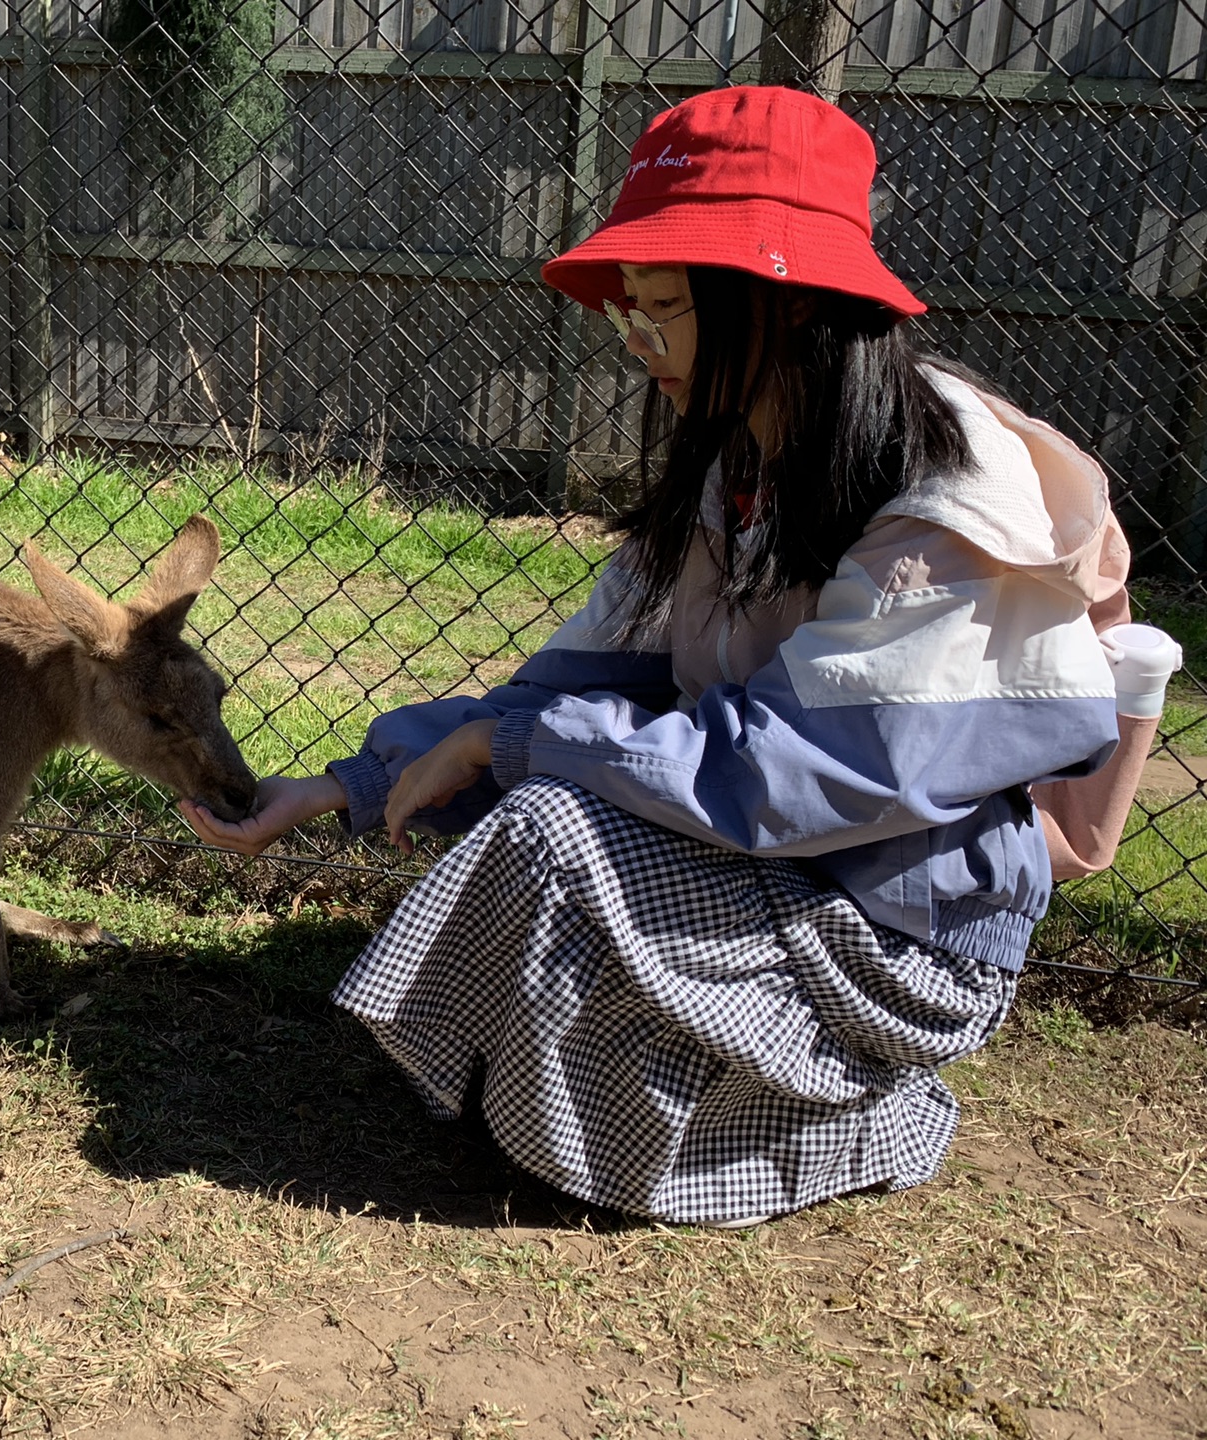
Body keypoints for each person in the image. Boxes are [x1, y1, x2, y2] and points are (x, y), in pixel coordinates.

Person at [179, 85, 1136, 1228]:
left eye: (664, 306)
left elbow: (799, 770)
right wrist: (351, 782)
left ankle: (849, 1112)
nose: (636, 341)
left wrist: (524, 745)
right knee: (541, 793)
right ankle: (643, 1118)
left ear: (777, 303)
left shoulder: (944, 493)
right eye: (628, 307)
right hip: (793, 870)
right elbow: (590, 674)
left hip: (903, 937)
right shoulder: (740, 457)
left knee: (551, 826)